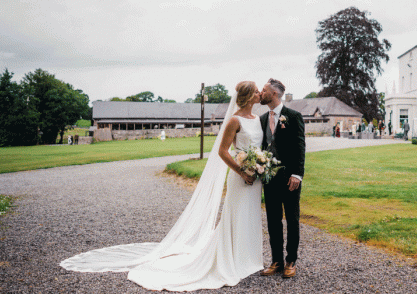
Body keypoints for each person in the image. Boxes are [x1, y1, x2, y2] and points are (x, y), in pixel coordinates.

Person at [60, 81, 265, 291]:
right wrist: (241, 171)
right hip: (240, 177)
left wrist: (259, 165)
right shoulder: (234, 120)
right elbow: (223, 151)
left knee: (250, 216)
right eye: (257, 91)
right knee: (237, 215)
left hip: (255, 178)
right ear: (249, 96)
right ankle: (232, 260)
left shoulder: (258, 119)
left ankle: (248, 259)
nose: (260, 94)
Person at [259, 78, 306, 279]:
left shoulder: (293, 116)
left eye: (264, 90)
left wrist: (297, 174)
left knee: (292, 219)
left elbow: (300, 146)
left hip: (289, 178)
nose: (261, 93)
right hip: (269, 178)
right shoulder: (261, 119)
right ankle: (276, 260)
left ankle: (291, 260)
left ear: (275, 94)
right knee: (273, 220)